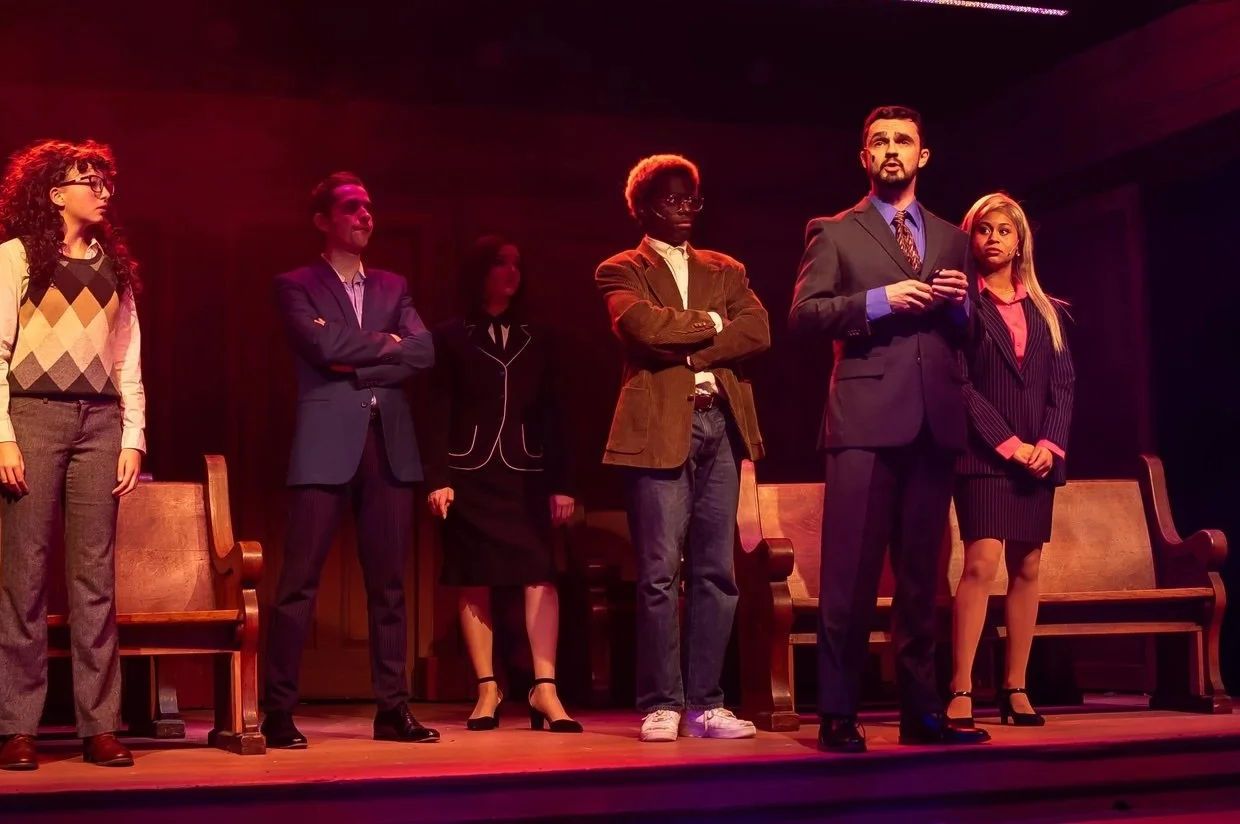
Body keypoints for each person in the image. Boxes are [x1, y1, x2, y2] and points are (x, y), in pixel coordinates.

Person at [789, 106, 990, 752]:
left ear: (923, 155)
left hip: (935, 419)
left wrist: (959, 307)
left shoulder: (952, 237)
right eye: (880, 142)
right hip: (865, 420)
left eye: (904, 140)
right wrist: (882, 301)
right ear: (865, 157)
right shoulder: (834, 231)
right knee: (849, 576)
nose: (892, 150)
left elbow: (971, 336)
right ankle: (838, 714)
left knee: (921, 580)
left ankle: (922, 714)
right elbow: (804, 315)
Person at [0, 139, 145, 771]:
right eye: (87, 182)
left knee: (94, 577)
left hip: (100, 422)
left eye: (105, 182)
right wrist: (0, 432)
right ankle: (18, 728)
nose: (102, 192)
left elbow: (128, 358)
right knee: (25, 574)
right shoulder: (19, 255)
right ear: (55, 194)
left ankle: (99, 725)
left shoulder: (114, 265)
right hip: (34, 416)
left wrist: (132, 437)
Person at [596, 154, 770, 743]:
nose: (685, 209)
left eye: (691, 199)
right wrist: (716, 324)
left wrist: (693, 347)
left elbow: (759, 330)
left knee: (717, 572)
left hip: (721, 422)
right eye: (671, 200)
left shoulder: (726, 268)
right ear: (643, 207)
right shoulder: (621, 268)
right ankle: (661, 703)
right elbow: (642, 328)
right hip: (657, 427)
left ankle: (706, 703)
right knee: (657, 573)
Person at [261, 172, 438, 748]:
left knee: (389, 586)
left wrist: (356, 355)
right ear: (323, 220)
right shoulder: (296, 284)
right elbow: (319, 345)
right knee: (298, 583)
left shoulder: (393, 284)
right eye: (351, 207)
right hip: (325, 442)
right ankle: (278, 710)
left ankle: (393, 710)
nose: (365, 216)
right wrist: (386, 347)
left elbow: (424, 351)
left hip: (389, 443)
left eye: (368, 207)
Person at [422, 236, 581, 733]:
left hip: (527, 474)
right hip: (469, 473)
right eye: (500, 263)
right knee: (474, 575)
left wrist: (563, 483)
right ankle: (487, 687)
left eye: (516, 263)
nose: (511, 271)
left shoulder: (542, 336)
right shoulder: (449, 336)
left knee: (540, 574)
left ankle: (545, 688)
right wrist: (437, 478)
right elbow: (435, 411)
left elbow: (558, 414)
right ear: (479, 271)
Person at [947, 192, 1075, 729]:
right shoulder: (961, 307)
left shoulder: (1048, 311)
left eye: (1004, 230)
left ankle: (1015, 687)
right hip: (984, 456)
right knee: (981, 564)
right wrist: (1009, 444)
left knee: (1027, 566)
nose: (993, 238)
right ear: (970, 239)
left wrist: (1049, 445)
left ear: (1020, 241)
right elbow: (960, 386)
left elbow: (1062, 387)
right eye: (984, 230)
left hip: (1037, 460)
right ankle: (960, 687)